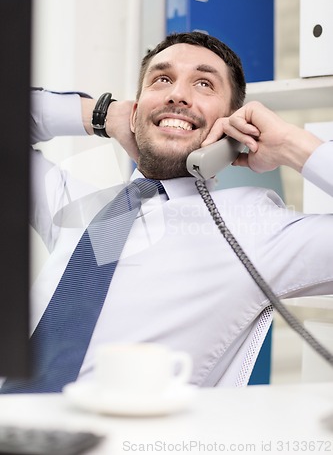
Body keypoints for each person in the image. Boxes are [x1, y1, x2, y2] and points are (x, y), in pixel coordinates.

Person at [5, 32, 333, 392]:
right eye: (162, 79)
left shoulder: (255, 226)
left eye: (204, 83)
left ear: (230, 125)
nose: (177, 94)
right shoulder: (75, 207)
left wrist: (292, 144)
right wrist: (105, 114)